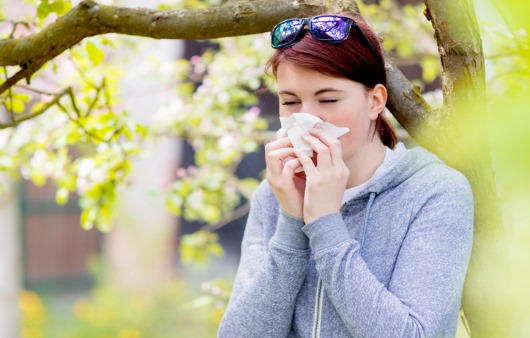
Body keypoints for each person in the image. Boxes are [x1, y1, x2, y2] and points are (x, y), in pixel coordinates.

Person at [218, 12, 473, 338]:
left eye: (328, 99)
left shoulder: (434, 192)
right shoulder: (274, 196)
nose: (306, 119)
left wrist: (325, 225)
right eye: (290, 101)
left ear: (375, 102)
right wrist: (292, 224)